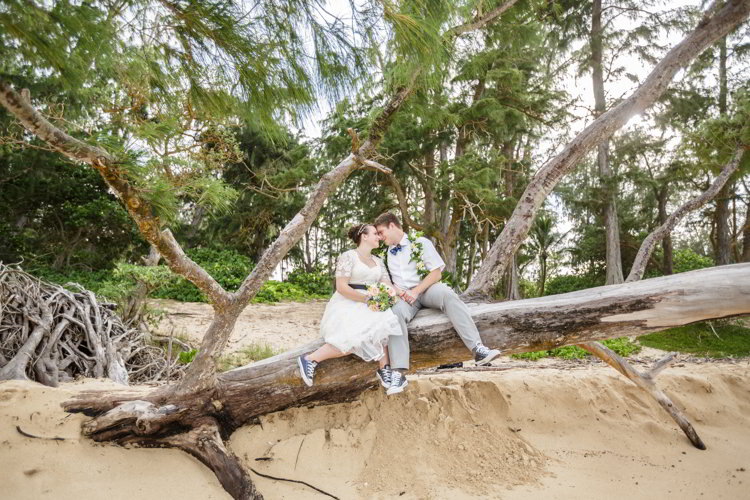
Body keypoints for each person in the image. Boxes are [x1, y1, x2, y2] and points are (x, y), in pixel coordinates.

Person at [373, 212, 501, 395]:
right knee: (394, 315)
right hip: (406, 300)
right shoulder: (387, 254)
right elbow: (390, 282)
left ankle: (478, 349)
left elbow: (436, 273)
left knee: (448, 295)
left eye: (381, 231)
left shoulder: (421, 243)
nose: (379, 236)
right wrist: (402, 294)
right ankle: (398, 373)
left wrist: (416, 292)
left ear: (392, 226)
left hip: (427, 289)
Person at [297, 223, 403, 393]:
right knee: (353, 337)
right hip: (349, 301)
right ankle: (309, 359)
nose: (379, 237)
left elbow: (387, 284)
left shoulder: (378, 261)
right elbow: (341, 287)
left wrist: (388, 295)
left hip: (372, 302)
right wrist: (366, 299)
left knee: (384, 327)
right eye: (375, 233)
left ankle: (385, 370)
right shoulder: (348, 256)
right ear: (364, 236)